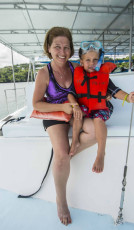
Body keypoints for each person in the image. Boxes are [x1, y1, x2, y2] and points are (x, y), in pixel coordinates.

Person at [32, 27, 100, 226]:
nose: (62, 52)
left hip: (74, 110)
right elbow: (37, 103)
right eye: (57, 47)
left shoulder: (75, 68)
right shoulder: (44, 73)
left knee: (96, 132)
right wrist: (62, 106)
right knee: (60, 155)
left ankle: (68, 155)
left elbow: (92, 84)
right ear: (48, 48)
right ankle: (61, 201)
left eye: (67, 47)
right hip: (54, 112)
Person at [68, 40, 134, 174]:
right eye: (88, 60)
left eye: (95, 60)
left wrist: (128, 97)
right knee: (77, 114)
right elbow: (70, 94)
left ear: (99, 60)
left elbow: (116, 91)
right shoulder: (76, 75)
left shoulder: (102, 75)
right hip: (84, 106)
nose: (92, 63)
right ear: (81, 62)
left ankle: (101, 153)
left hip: (101, 107)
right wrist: (75, 105)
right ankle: (75, 140)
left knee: (98, 120)